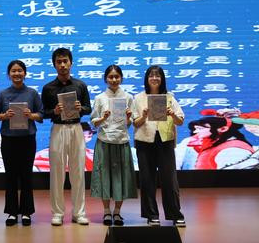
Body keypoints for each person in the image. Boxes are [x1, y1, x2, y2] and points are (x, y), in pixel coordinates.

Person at [41, 48, 91, 226]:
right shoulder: (48, 88)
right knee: (57, 173)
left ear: (71, 63)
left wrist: (80, 108)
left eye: (65, 61)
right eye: (59, 62)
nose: (62, 65)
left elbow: (88, 108)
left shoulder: (80, 85)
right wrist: (53, 111)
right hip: (58, 129)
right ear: (54, 64)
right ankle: (57, 213)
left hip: (76, 128)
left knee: (78, 172)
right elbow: (43, 113)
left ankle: (79, 212)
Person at [132, 65, 186, 227]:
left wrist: (172, 114)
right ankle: (151, 215)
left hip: (165, 141)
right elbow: (135, 123)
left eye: (158, 76)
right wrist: (144, 116)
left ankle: (175, 214)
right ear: (146, 79)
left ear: (162, 79)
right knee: (147, 180)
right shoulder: (138, 98)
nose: (154, 78)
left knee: (169, 180)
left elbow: (180, 121)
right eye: (151, 75)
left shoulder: (169, 97)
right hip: (145, 142)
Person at [0, 60, 43, 226]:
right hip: (9, 139)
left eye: (20, 70)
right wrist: (4, 116)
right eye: (13, 71)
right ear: (9, 74)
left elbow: (41, 115)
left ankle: (27, 212)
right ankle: (12, 212)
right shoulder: (3, 94)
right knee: (11, 176)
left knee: (26, 176)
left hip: (27, 139)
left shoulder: (32, 93)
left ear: (25, 73)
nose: (17, 74)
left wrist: (31, 115)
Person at [90, 65, 137, 226]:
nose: (114, 79)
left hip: (121, 141)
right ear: (106, 79)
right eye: (111, 77)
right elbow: (94, 122)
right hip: (104, 141)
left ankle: (117, 212)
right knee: (104, 177)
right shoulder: (100, 98)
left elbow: (129, 124)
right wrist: (103, 118)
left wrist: (129, 117)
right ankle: (106, 211)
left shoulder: (128, 97)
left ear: (121, 78)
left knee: (120, 178)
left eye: (117, 76)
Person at [186, 109, 254, 170]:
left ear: (223, 129)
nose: (195, 132)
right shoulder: (214, 144)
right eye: (196, 128)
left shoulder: (233, 150)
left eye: (200, 128)